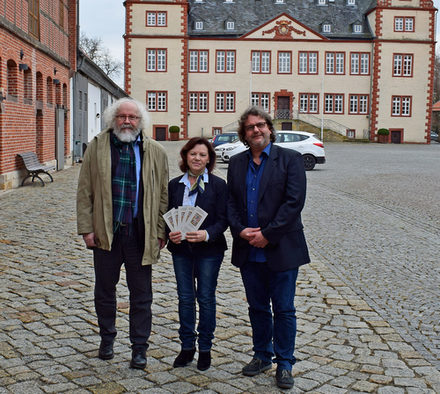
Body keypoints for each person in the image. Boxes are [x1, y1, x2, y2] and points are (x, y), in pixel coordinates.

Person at [76, 98, 168, 370]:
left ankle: (139, 347)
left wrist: (160, 229)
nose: (127, 121)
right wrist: (86, 228)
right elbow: (85, 191)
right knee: (105, 291)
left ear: (141, 122)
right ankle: (107, 339)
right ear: (112, 119)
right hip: (108, 232)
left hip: (140, 234)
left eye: (133, 117)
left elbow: (163, 194)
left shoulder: (155, 151)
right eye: (122, 116)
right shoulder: (97, 147)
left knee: (142, 295)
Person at [227, 107, 310, 389]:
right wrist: (240, 230)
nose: (256, 130)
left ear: (270, 129)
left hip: (282, 248)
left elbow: (294, 202)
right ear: (244, 135)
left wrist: (268, 234)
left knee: (284, 308)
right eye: (250, 127)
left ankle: (285, 363)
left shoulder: (290, 159)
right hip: (249, 249)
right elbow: (232, 204)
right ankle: (262, 354)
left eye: (260, 125)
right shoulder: (237, 163)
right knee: (258, 307)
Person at [167, 137, 228, 371]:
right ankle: (186, 347)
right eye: (193, 154)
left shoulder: (218, 185)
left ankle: (205, 348)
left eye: (202, 155)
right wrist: (169, 232)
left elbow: (224, 219)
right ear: (185, 156)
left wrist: (207, 234)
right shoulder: (175, 185)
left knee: (205, 297)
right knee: (185, 298)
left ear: (209, 159)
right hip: (181, 250)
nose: (197, 158)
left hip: (209, 251)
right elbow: (167, 214)